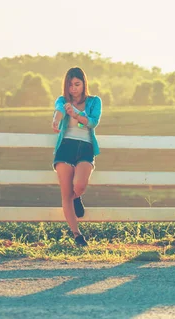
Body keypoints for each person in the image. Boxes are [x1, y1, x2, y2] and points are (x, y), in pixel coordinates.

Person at [51, 67, 102, 247]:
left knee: (79, 186)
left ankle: (76, 196)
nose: (73, 88)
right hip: (65, 147)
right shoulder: (62, 100)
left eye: (77, 84)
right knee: (65, 193)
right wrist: (57, 119)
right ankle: (77, 235)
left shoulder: (94, 101)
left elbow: (93, 122)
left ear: (84, 84)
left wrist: (77, 114)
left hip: (85, 147)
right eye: (70, 85)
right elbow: (59, 110)